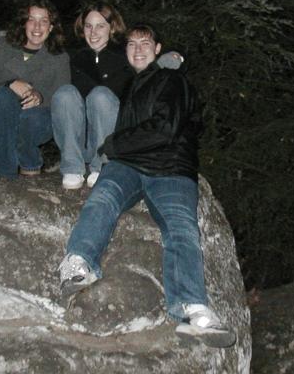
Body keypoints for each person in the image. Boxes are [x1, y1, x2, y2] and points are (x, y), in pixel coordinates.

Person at [58, 24, 236, 348]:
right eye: (131, 44)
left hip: (170, 167)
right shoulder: (130, 84)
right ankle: (78, 261)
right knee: (102, 198)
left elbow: (165, 128)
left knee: (181, 228)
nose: (138, 48)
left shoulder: (172, 80)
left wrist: (113, 144)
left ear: (157, 49)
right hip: (128, 165)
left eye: (145, 43)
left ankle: (193, 308)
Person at [51, 0, 130, 190]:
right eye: (88, 26)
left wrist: (177, 56)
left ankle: (102, 166)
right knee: (64, 93)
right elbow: (39, 53)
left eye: (100, 26)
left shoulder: (126, 54)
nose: (93, 32)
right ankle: (72, 167)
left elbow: (152, 55)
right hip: (80, 140)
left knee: (100, 95)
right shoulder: (71, 55)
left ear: (112, 27)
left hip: (110, 140)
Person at [0, 0, 70, 178]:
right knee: (3, 98)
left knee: (30, 118)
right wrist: (9, 82)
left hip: (37, 118)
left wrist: (39, 97)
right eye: (32, 19)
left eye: (44, 21)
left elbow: (62, 97)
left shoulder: (59, 57)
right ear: (24, 23)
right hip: (1, 114)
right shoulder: (1, 45)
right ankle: (4, 170)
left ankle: (29, 164)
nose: (37, 26)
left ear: (51, 27)